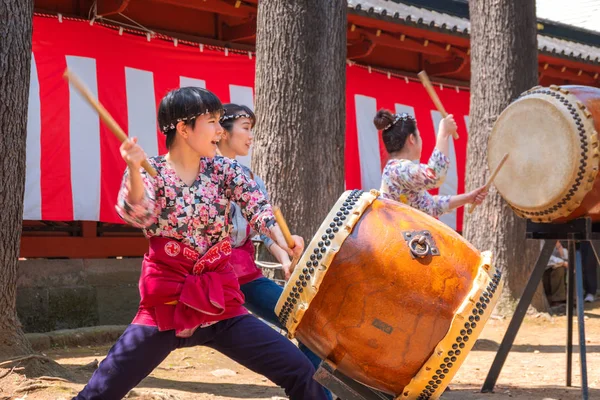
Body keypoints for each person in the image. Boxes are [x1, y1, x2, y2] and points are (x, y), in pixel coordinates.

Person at [73, 87, 328, 400]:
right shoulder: (153, 173)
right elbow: (138, 213)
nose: (219, 131)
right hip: (168, 305)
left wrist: (282, 240)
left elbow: (257, 206)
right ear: (183, 128)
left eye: (221, 122)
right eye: (212, 122)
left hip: (221, 303)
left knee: (300, 370)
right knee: (100, 391)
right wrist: (134, 170)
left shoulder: (223, 170)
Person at [217, 103, 333, 399]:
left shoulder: (251, 179)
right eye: (245, 128)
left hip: (246, 277)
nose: (250, 136)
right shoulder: (206, 175)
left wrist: (285, 257)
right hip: (213, 279)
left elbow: (262, 230)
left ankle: (315, 395)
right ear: (222, 131)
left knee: (307, 321)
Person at [373, 110, 487, 217]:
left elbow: (432, 206)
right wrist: (444, 133)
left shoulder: (397, 169)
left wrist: (467, 198)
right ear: (412, 139)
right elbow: (435, 175)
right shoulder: (397, 169)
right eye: (419, 135)